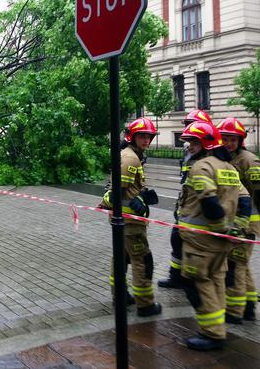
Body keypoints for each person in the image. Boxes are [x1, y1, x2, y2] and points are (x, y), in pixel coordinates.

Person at [176, 121, 243, 351]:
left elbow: (208, 201)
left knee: (195, 283)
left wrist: (219, 227)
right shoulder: (229, 167)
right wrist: (233, 229)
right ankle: (218, 326)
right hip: (220, 242)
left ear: (205, 143)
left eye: (194, 142)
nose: (189, 147)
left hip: (200, 241)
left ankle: (212, 333)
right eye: (189, 142)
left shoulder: (202, 167)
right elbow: (242, 200)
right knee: (215, 280)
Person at [100, 117, 162, 317]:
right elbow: (118, 190)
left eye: (148, 136)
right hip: (130, 223)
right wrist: (137, 200)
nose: (146, 140)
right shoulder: (130, 158)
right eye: (142, 136)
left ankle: (120, 295)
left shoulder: (131, 154)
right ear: (132, 137)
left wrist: (142, 195)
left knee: (120, 258)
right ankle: (145, 305)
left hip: (125, 222)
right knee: (142, 260)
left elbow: (123, 190)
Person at [217, 117, 260, 323]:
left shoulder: (248, 160)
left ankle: (234, 312)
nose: (228, 143)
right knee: (242, 265)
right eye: (224, 138)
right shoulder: (223, 158)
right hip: (234, 222)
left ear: (240, 140)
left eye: (232, 139)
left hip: (246, 223)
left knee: (235, 266)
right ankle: (249, 307)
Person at [159, 109, 213, 289]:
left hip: (200, 211)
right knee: (177, 239)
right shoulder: (190, 151)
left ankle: (198, 281)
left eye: (192, 125)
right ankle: (177, 277)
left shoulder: (209, 154)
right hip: (186, 207)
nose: (188, 129)